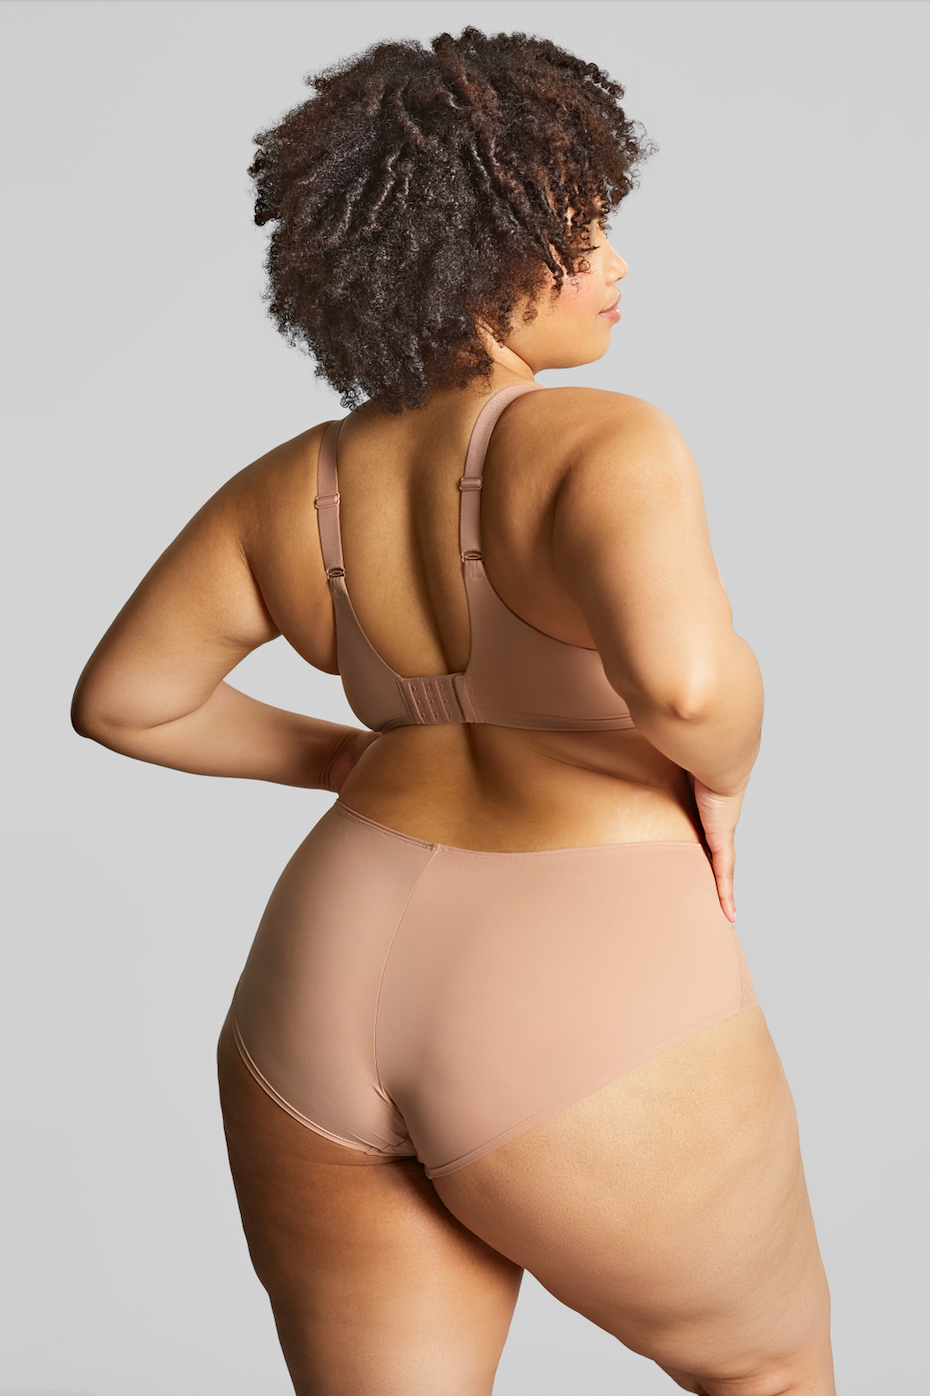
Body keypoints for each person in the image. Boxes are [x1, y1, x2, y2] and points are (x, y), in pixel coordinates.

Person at [71, 26, 835, 1396]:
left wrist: (352, 757)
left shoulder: (290, 484)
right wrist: (725, 769)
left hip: (316, 990)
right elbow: (684, 686)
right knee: (769, 1375)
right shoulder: (601, 440)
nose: (615, 264)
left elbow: (127, 703)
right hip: (578, 980)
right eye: (579, 233)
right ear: (477, 256)